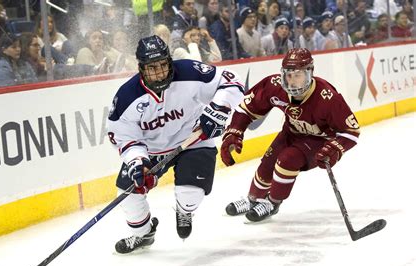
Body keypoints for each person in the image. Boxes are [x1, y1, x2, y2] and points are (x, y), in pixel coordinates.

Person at [107, 35, 244, 254]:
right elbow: (123, 136)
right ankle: (144, 235)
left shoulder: (189, 72)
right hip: (152, 150)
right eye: (152, 68)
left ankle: (184, 209)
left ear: (170, 61)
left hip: (193, 140)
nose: (160, 72)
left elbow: (232, 81)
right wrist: (137, 162)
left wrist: (219, 109)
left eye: (163, 65)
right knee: (127, 194)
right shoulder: (126, 97)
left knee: (189, 195)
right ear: (141, 68)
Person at [221, 48, 360, 222]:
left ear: (310, 73)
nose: (291, 81)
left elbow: (352, 131)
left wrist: (336, 148)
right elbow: (247, 108)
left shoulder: (327, 97)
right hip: (290, 133)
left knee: (287, 160)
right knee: (267, 165)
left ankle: (272, 202)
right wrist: (235, 130)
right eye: (288, 75)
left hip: (318, 141)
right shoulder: (274, 85)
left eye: (298, 75)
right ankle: (253, 200)